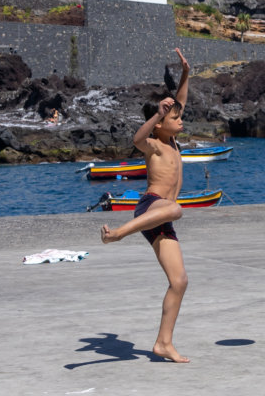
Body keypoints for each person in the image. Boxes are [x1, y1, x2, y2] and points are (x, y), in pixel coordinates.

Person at [100, 48, 191, 363]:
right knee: (177, 208)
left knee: (179, 281)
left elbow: (180, 100)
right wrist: (156, 112)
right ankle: (119, 233)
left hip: (161, 216)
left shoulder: (173, 140)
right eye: (174, 118)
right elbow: (137, 138)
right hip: (150, 207)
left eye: (179, 116)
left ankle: (163, 343)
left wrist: (185, 73)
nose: (180, 120)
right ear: (159, 125)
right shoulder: (153, 144)